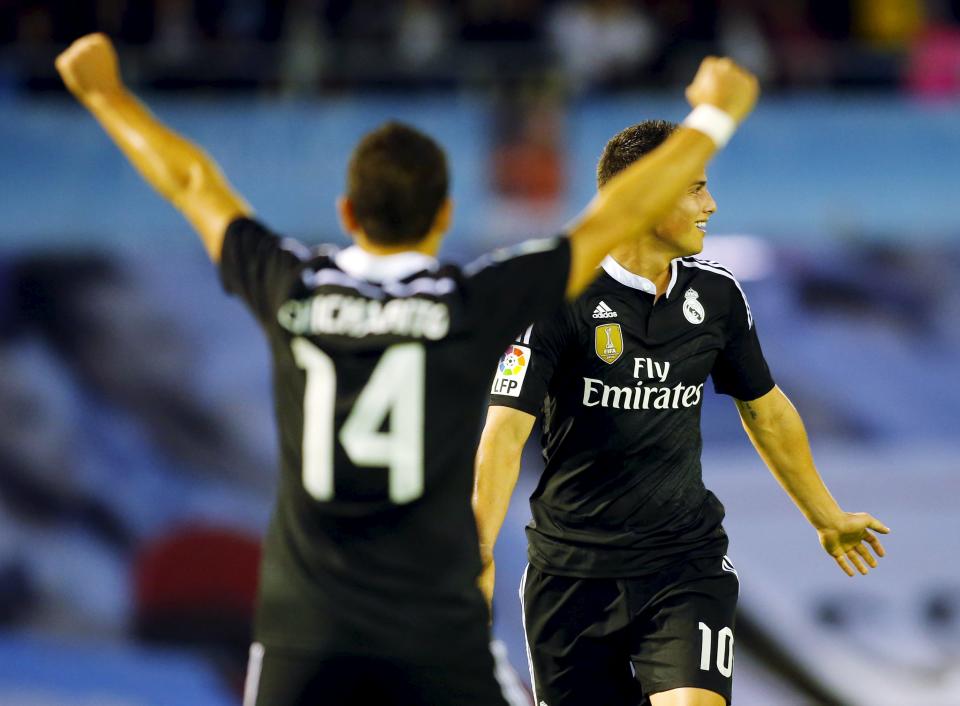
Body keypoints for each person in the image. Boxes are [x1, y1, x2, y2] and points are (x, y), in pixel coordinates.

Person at [55, 32, 758, 706]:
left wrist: (106, 95)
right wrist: (713, 115)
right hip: (432, 627)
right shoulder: (473, 304)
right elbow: (614, 216)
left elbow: (190, 181)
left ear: (348, 212)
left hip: (308, 628)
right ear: (444, 215)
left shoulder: (293, 291)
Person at [473, 119, 891, 706]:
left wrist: (826, 516)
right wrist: (481, 549)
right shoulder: (556, 298)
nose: (711, 204)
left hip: (682, 564)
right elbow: (504, 432)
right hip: (570, 578)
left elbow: (765, 411)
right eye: (694, 188)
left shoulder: (717, 296)